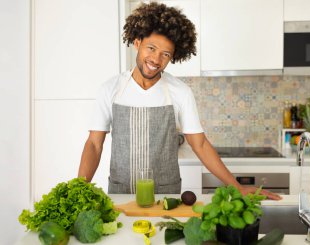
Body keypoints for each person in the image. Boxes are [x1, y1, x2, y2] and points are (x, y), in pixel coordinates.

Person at [78, 2, 281, 200]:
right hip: (121, 196)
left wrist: (236, 186)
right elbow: (95, 144)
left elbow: (199, 144)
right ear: (137, 42)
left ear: (173, 57)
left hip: (166, 197)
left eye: (165, 54)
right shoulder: (111, 89)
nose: (156, 60)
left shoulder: (179, 92)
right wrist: (78, 190)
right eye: (151, 48)